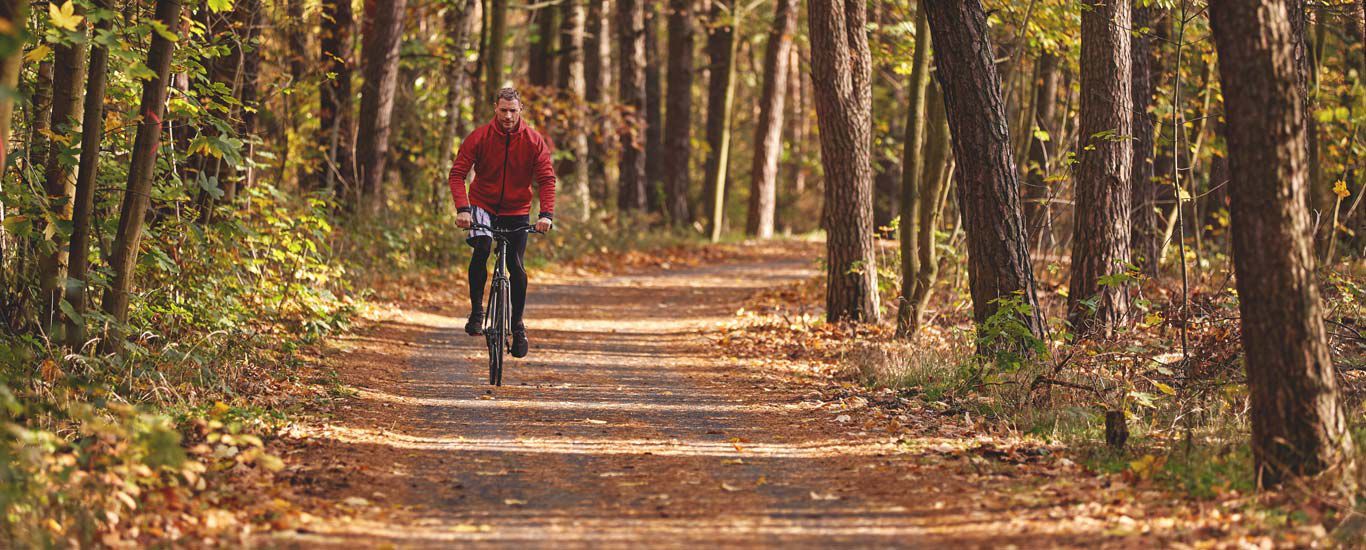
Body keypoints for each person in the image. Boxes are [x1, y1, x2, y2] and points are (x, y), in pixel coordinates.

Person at [447, 87, 556, 358]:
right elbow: (457, 174)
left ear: (521, 111)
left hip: (517, 209)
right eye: (503, 110)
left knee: (516, 267)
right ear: (495, 108)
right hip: (482, 205)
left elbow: (546, 179)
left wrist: (546, 215)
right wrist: (463, 209)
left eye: (513, 111)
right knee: (482, 247)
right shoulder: (480, 137)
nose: (508, 116)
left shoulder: (533, 141)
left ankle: (517, 325)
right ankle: (476, 312)